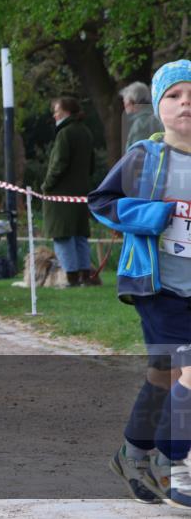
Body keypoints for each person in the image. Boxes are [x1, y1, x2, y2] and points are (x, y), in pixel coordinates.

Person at [89, 59, 191, 509]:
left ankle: (132, 455)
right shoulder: (144, 158)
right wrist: (154, 215)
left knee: (164, 375)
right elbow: (102, 202)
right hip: (158, 287)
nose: (185, 103)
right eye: (174, 96)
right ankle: (176, 464)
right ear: (157, 105)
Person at [42, 95, 96, 287]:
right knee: (80, 235)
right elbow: (91, 164)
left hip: (61, 194)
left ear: (65, 112)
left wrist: (46, 185)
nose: (54, 115)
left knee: (63, 235)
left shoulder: (64, 134)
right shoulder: (86, 132)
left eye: (56, 111)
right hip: (81, 191)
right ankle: (86, 276)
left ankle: (71, 278)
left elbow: (59, 164)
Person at [121, 80, 165, 149]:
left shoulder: (141, 124)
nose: (124, 105)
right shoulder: (156, 117)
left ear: (132, 101)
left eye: (125, 102)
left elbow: (137, 154)